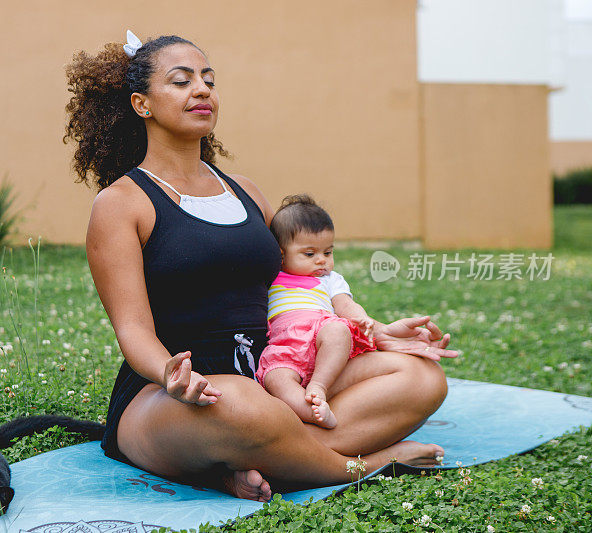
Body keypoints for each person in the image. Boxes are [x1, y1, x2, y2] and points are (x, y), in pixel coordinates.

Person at [64, 31, 458, 502]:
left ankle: (254, 462)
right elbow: (132, 331)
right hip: (179, 392)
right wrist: (170, 372)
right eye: (181, 81)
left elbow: (302, 283)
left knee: (420, 378)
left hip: (274, 372)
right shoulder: (121, 203)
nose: (203, 90)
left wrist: (373, 331)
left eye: (208, 79)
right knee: (243, 409)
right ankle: (365, 465)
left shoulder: (246, 191)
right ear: (142, 104)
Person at [256, 194, 376, 429]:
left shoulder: (331, 280)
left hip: (321, 336)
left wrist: (361, 317)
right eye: (310, 254)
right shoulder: (270, 277)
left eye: (328, 253)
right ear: (281, 254)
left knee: (339, 330)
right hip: (285, 347)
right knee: (276, 378)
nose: (322, 261)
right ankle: (311, 411)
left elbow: (344, 305)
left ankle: (319, 386)